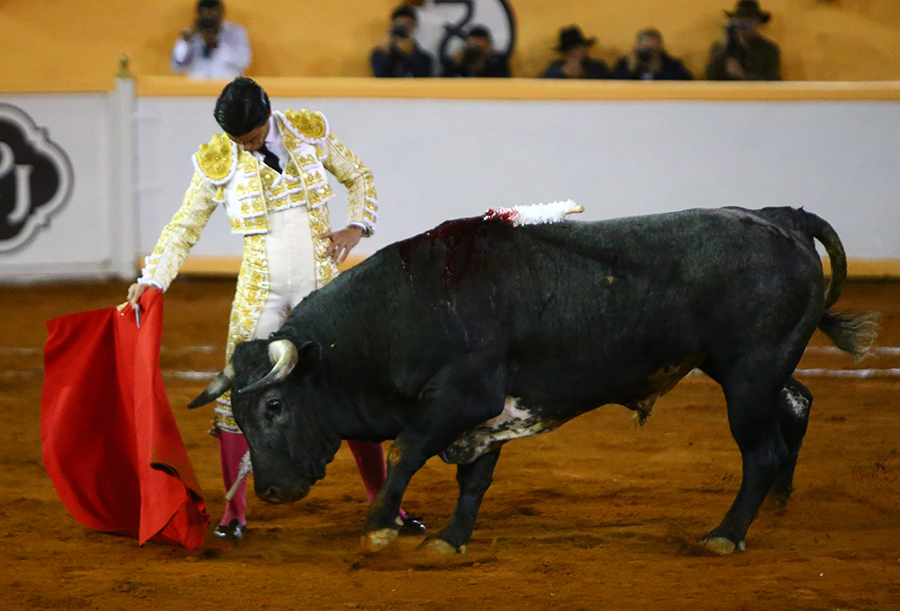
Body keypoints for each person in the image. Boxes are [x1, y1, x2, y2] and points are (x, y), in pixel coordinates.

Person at [120, 77, 425, 540]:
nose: (248, 144)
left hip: (323, 290)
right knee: (236, 395)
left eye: (254, 135)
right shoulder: (217, 160)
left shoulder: (310, 131)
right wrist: (152, 281)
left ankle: (384, 505)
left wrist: (356, 227)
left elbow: (359, 176)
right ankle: (234, 513)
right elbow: (184, 224)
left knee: (354, 391)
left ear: (268, 116)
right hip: (260, 289)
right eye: (239, 140)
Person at [171, 0, 251, 79]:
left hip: (226, 85)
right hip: (198, 87)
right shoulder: (192, 34)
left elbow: (244, 61)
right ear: (198, 16)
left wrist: (216, 44)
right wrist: (186, 40)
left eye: (213, 17)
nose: (210, 21)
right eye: (206, 17)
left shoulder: (234, 32)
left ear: (221, 14)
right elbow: (177, 64)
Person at [705, 0, 781, 81]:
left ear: (758, 23)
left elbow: (773, 81)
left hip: (756, 93)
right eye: (740, 19)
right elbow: (710, 76)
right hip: (727, 93)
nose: (744, 24)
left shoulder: (769, 49)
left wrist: (743, 75)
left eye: (749, 20)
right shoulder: (720, 47)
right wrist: (725, 44)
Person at [370, 5, 433, 77]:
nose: (404, 28)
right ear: (392, 25)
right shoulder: (379, 54)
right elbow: (380, 76)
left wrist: (411, 54)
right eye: (400, 24)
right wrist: (386, 52)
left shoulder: (425, 58)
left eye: (408, 24)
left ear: (415, 27)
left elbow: (423, 77)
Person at [611, 28, 693, 80]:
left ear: (660, 47)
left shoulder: (672, 65)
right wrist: (630, 70)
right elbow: (612, 84)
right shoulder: (624, 64)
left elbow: (686, 83)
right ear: (637, 47)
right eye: (645, 47)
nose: (648, 53)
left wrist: (659, 70)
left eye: (653, 49)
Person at [441, 25, 510, 78]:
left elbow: (503, 80)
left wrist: (483, 66)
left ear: (488, 44)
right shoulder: (460, 59)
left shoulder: (498, 60)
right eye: (474, 45)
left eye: (481, 46)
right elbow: (443, 80)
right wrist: (454, 64)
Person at [542, 26, 609, 79]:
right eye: (570, 51)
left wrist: (583, 75)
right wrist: (562, 73)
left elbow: (609, 84)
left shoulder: (597, 67)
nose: (575, 53)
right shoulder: (554, 68)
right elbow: (543, 83)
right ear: (564, 54)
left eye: (578, 49)